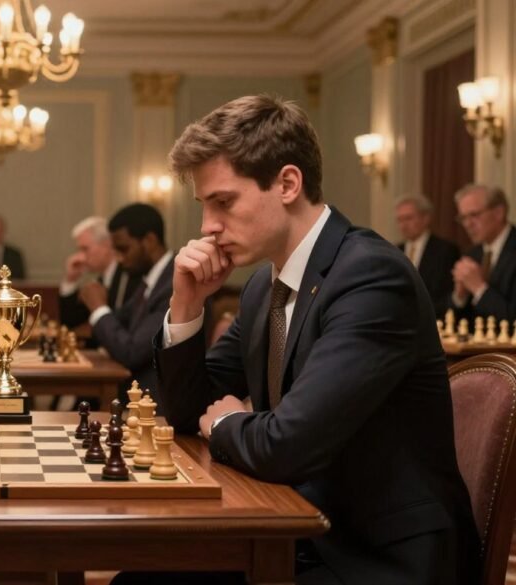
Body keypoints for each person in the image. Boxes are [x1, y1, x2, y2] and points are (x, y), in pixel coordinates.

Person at [140, 94, 479, 584]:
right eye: (204, 206)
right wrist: (187, 308)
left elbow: (288, 445)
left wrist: (229, 422)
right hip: (300, 529)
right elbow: (190, 409)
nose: (206, 228)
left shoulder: (369, 276)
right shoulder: (264, 286)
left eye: (223, 202)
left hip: (378, 558)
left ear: (287, 183)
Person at [81, 204, 172, 400]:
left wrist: (98, 308)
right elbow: (120, 319)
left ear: (149, 240)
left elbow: (131, 352)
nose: (120, 259)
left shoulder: (174, 282)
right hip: (134, 391)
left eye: (124, 249)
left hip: (156, 403)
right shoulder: (151, 278)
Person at [58, 216, 142, 338]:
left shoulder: (129, 276)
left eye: (85, 249)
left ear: (107, 245)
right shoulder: (100, 280)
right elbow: (71, 322)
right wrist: (71, 280)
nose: (80, 256)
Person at [451, 184, 516, 322]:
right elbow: (459, 322)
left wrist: (479, 288)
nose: (467, 224)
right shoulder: (471, 255)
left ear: (499, 213)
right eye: (463, 218)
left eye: (474, 215)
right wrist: (460, 297)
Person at [394, 194, 459, 319]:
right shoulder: (394, 250)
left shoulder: (445, 250)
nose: (403, 225)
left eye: (408, 218)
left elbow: (448, 293)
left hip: (434, 319)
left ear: (425, 218)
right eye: (400, 220)